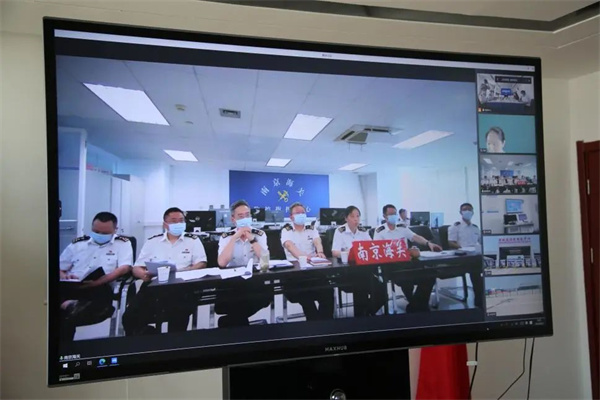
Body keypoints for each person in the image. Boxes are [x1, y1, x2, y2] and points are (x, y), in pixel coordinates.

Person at [122, 207, 207, 335]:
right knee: (129, 317)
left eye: (181, 220)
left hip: (181, 286)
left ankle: (173, 343)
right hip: (153, 286)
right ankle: (148, 339)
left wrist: (187, 271)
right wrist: (143, 275)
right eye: (174, 221)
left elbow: (201, 263)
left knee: (178, 317)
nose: (178, 223)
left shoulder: (193, 241)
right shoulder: (152, 242)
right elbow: (137, 267)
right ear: (165, 224)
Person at [59, 212, 133, 341]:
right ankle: (69, 306)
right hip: (73, 286)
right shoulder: (78, 244)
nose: (100, 235)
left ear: (115, 230)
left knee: (67, 318)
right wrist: (65, 276)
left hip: (100, 288)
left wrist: (97, 282)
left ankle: (69, 307)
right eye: (96, 231)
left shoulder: (122, 244)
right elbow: (60, 267)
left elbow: (124, 268)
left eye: (105, 233)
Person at [374, 204, 442, 312]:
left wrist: (428, 244)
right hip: (392, 266)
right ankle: (418, 307)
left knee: (431, 274)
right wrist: (407, 252)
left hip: (408, 263)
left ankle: (415, 306)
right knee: (406, 280)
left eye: (395, 213)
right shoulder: (379, 231)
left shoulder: (401, 227)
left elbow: (415, 237)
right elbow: (378, 251)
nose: (393, 216)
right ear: (384, 216)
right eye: (390, 214)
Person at [216, 200, 273, 327]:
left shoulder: (260, 234)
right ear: (233, 219)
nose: (245, 219)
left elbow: (265, 260)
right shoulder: (226, 237)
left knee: (238, 310)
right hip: (233, 284)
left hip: (254, 282)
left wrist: (252, 239)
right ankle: (238, 329)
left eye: (247, 215)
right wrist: (233, 239)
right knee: (237, 306)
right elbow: (222, 263)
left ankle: (230, 326)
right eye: (240, 216)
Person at [280, 202, 334, 321]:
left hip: (313, 271)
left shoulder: (311, 228)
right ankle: (314, 325)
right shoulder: (286, 230)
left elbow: (317, 240)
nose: (301, 215)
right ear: (291, 217)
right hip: (294, 274)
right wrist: (305, 257)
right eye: (297, 213)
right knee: (306, 296)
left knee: (328, 290)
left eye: (303, 213)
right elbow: (289, 245)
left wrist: (320, 251)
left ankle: (326, 324)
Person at [331, 206, 387, 317]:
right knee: (361, 287)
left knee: (382, 291)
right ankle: (361, 317)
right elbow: (334, 252)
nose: (356, 219)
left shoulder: (363, 231)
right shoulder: (340, 231)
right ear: (346, 218)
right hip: (348, 271)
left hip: (364, 270)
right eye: (352, 216)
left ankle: (367, 313)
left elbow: (371, 247)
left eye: (357, 216)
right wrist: (349, 253)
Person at [447, 203, 484, 308]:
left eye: (469, 209)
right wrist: (461, 248)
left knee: (481, 266)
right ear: (460, 212)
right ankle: (479, 300)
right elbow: (451, 243)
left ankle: (483, 296)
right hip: (461, 256)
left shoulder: (475, 228)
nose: (467, 211)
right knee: (476, 270)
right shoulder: (455, 226)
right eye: (464, 209)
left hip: (474, 256)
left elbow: (481, 242)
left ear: (473, 212)